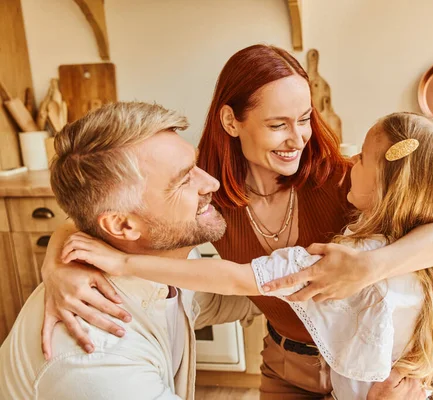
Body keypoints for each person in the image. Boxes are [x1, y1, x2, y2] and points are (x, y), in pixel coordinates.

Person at [41, 45, 433, 399]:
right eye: (277, 125)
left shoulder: (346, 181)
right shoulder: (205, 193)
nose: (298, 138)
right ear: (231, 121)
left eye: (306, 119)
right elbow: (101, 212)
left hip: (376, 377)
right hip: (285, 367)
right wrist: (57, 264)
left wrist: (373, 266)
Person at [0, 102, 262, 399]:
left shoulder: (165, 261)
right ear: (122, 226)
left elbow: (208, 302)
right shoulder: (96, 359)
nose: (212, 183)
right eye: (184, 179)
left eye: (196, 165)